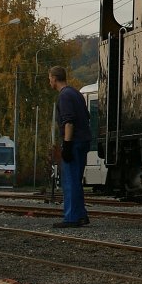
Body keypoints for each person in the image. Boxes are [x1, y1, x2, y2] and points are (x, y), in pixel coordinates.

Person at [48, 65, 92, 228]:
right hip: (84, 140)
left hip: (73, 142)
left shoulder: (64, 96)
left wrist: (66, 144)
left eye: (49, 78)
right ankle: (81, 215)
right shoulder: (76, 94)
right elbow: (86, 117)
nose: (49, 82)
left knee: (70, 180)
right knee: (77, 180)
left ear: (54, 78)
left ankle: (71, 217)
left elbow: (68, 121)